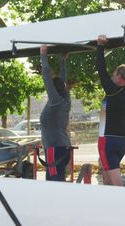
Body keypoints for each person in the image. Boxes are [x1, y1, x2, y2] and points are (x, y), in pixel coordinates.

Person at [95, 35, 125, 186]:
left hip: (107, 141)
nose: (112, 77)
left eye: (114, 74)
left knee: (116, 184)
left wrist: (100, 46)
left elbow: (101, 69)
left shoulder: (113, 92)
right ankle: (109, 206)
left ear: (120, 77)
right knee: (107, 177)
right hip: (120, 142)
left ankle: (123, 207)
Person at [39, 45, 71, 181]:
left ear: (53, 90)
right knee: (58, 178)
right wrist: (62, 61)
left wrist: (43, 55)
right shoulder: (65, 100)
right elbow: (63, 82)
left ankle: (55, 202)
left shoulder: (55, 101)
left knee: (54, 181)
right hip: (62, 146)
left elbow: (46, 77)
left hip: (54, 148)